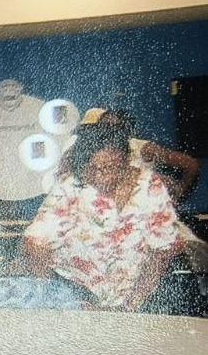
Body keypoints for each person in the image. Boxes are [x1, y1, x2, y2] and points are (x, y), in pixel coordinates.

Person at [22, 119, 179, 310]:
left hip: (134, 295)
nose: (101, 176)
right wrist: (56, 297)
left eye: (110, 167)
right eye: (92, 168)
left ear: (127, 159)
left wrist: (131, 305)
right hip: (76, 292)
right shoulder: (71, 186)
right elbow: (34, 243)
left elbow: (163, 251)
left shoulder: (150, 187)